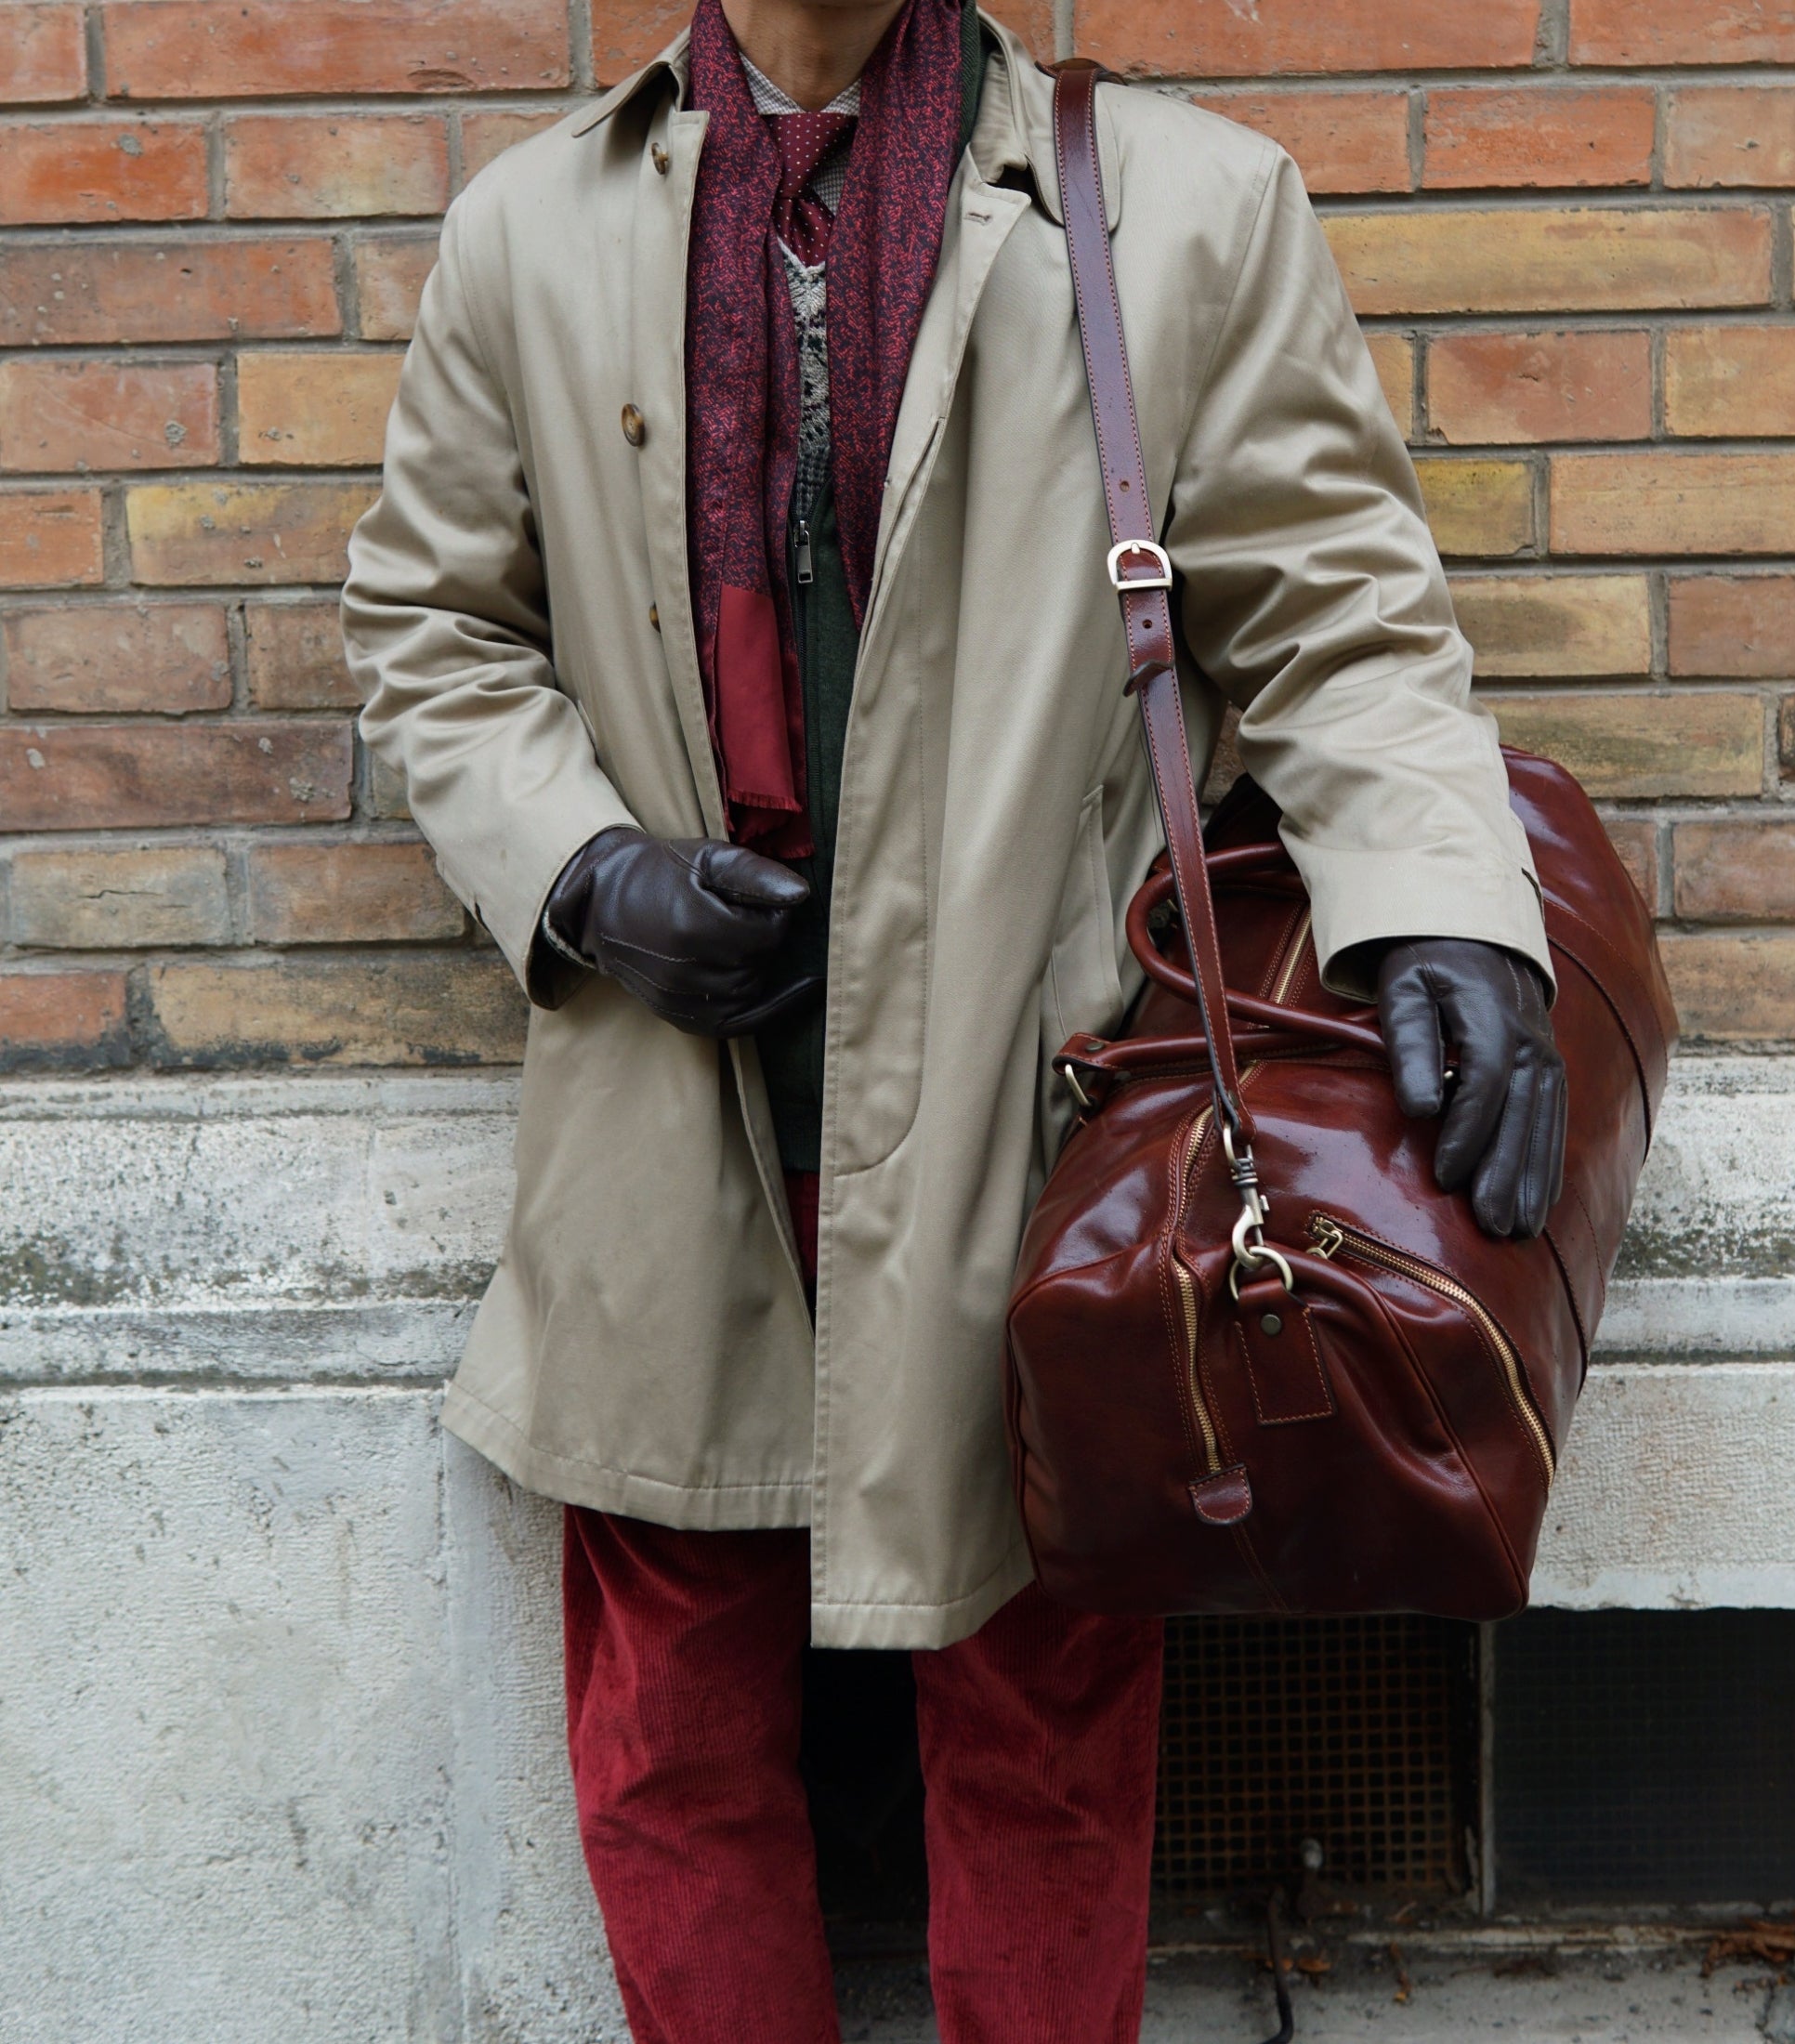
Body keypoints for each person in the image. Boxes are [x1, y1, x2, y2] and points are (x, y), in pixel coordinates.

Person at [342, 1, 1566, 2036]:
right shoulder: (528, 230)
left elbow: (1343, 618)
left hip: (1035, 1112)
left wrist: (1443, 909)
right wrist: (584, 867)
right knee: (667, 1740)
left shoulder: (1185, 211)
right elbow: (432, 627)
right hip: (675, 1110)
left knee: (1044, 1730)